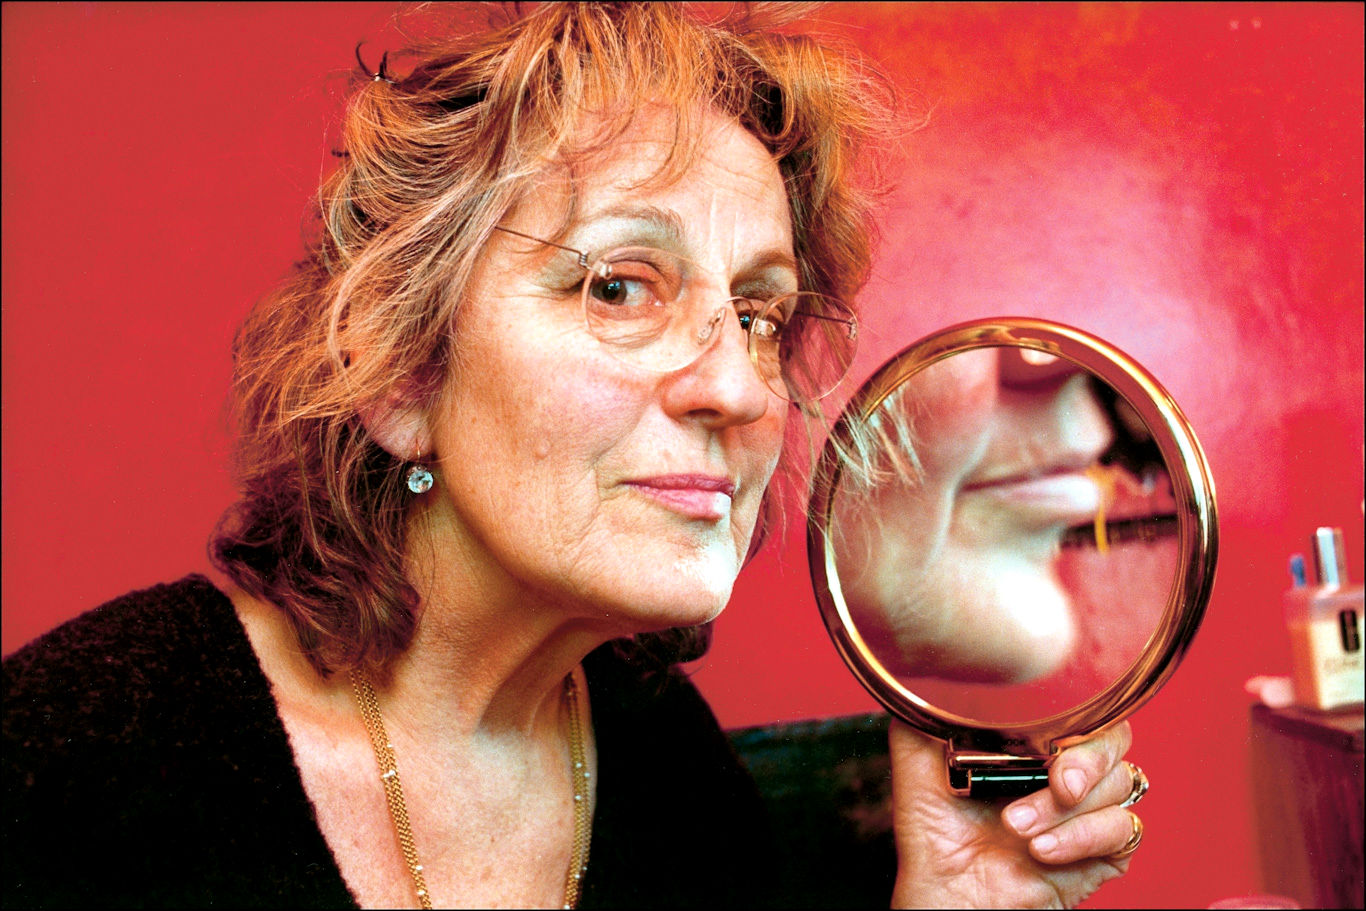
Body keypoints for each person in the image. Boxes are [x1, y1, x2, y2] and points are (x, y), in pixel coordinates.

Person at [3, 4, 1145, 908]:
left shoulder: (665, 765)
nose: (741, 388)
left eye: (758, 313)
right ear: (401, 373)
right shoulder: (73, 758)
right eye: (618, 287)